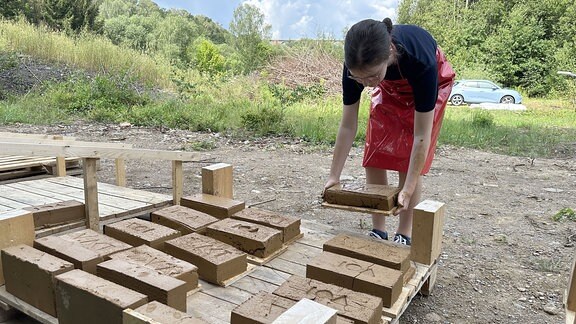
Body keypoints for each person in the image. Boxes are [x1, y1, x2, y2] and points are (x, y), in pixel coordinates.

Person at [323, 18, 455, 245]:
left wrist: (407, 188)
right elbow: (347, 125)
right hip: (391, 88)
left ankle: (405, 232)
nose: (366, 84)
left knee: (406, 158)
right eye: (359, 78)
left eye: (372, 76)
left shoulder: (420, 62)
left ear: (389, 52)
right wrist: (334, 175)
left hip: (430, 83)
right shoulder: (357, 67)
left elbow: (421, 136)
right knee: (375, 152)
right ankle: (379, 229)